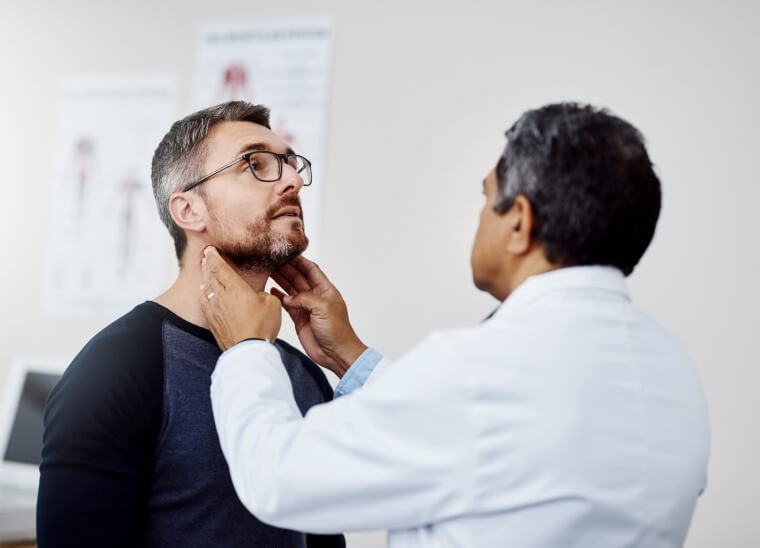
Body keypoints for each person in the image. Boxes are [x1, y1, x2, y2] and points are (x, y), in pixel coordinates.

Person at [201, 103, 710, 548]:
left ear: (519, 223)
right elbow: (489, 444)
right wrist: (350, 358)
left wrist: (246, 347)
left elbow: (279, 478)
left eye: (487, 199)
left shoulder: (481, 372)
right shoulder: (674, 372)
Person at [37, 101, 345, 548]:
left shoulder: (303, 374)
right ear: (188, 210)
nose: (293, 180)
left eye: (291, 165)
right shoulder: (114, 369)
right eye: (255, 164)